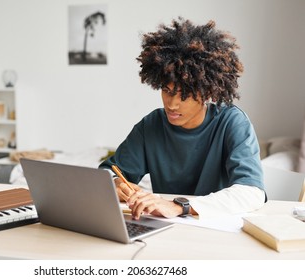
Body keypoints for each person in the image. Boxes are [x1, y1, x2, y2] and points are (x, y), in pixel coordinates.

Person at [99, 18, 266, 220]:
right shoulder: (151, 125)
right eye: (167, 91)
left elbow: (251, 193)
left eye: (184, 95)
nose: (172, 104)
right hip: (166, 228)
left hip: (217, 229)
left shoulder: (232, 122)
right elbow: (107, 172)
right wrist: (116, 183)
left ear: (207, 93)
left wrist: (179, 207)